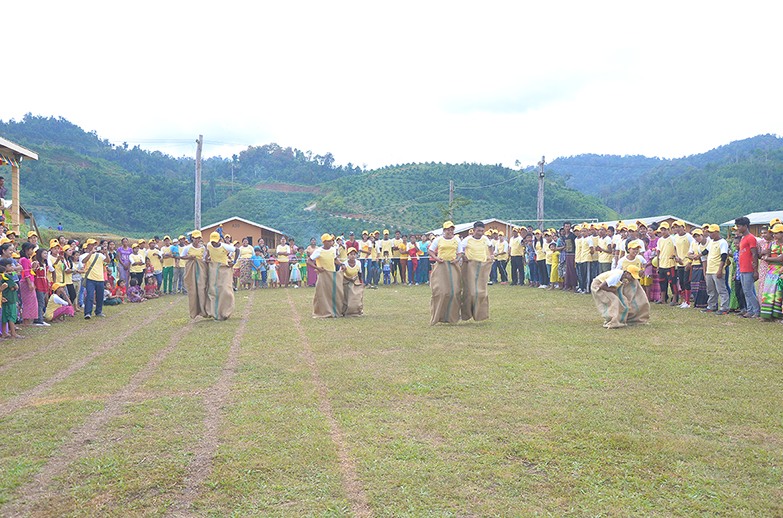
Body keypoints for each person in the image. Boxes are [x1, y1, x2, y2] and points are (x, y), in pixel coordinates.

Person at [591, 264, 649, 329]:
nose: (633, 279)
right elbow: (602, 286)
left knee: (623, 302)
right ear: (627, 273)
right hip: (598, 285)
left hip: (606, 286)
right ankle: (613, 322)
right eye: (632, 277)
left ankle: (623, 319)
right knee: (615, 301)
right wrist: (613, 290)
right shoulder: (617, 275)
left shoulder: (623, 276)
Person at [458, 221, 495, 322]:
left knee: (482, 293)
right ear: (474, 230)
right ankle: (466, 313)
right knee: (471, 293)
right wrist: (463, 256)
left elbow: (490, 246)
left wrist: (491, 255)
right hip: (470, 266)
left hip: (482, 267)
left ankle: (480, 314)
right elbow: (460, 249)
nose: (480, 233)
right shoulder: (467, 240)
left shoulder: (485, 239)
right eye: (478, 230)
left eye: (482, 231)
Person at [308, 233, 344, 318]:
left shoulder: (333, 249)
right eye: (329, 241)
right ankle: (321, 311)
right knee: (321, 293)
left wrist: (341, 264)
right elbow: (309, 261)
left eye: (331, 241)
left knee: (333, 293)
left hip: (332, 274)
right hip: (322, 274)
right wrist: (317, 268)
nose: (331, 242)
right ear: (324, 242)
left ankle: (334, 311)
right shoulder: (318, 251)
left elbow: (335, 259)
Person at [205, 231, 236, 321]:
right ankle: (215, 313)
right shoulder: (209, 245)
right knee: (214, 291)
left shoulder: (224, 246)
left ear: (219, 240)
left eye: (215, 241)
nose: (214, 243)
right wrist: (207, 258)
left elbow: (237, 250)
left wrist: (233, 262)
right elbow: (208, 253)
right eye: (212, 241)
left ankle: (225, 312)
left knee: (226, 290)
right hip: (213, 268)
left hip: (224, 268)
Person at [734, 216, 760, 319]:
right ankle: (749, 311)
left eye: (739, 226)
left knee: (749, 291)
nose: (738, 228)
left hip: (749, 268)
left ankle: (757, 311)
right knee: (745, 291)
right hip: (742, 269)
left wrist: (755, 271)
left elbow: (754, 254)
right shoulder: (743, 238)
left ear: (745, 226)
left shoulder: (751, 238)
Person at [180, 230, 209, 319]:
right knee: (193, 290)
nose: (197, 240)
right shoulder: (188, 248)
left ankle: (204, 311)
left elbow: (204, 258)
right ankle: (194, 311)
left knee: (202, 289)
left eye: (199, 238)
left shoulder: (203, 248)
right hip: (191, 270)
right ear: (192, 239)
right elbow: (182, 256)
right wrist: (190, 257)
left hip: (201, 269)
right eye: (195, 238)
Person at [758, 223, 783, 322]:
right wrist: (771, 258)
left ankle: (777, 316)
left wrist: (769, 258)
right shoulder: (772, 244)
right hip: (771, 271)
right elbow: (766, 255)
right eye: (773, 233)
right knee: (768, 292)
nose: (774, 235)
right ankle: (767, 315)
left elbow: (781, 258)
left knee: (778, 293)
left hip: (780, 272)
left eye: (776, 233)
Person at [702, 224, 729, 315]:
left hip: (717, 269)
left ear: (717, 232)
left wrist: (720, 269)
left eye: (712, 232)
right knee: (711, 290)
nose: (710, 234)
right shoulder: (711, 242)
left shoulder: (722, 242)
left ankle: (725, 308)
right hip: (710, 269)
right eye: (709, 232)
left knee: (721, 289)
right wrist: (696, 256)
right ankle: (711, 306)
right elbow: (706, 251)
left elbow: (724, 256)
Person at [79, 238, 108, 320]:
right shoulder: (83, 255)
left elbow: (107, 261)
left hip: (100, 278)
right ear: (88, 246)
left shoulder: (100, 255)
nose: (94, 246)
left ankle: (98, 311)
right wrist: (91, 252)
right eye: (92, 244)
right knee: (90, 296)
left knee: (100, 296)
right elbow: (84, 261)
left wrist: (106, 252)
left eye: (95, 244)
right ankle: (88, 312)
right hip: (90, 278)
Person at [0, 260, 22, 338]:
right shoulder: (7, 276)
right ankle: (13, 333)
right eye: (10, 266)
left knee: (4, 316)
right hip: (11, 298)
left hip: (4, 298)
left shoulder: (2, 277)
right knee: (12, 315)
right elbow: (15, 287)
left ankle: (4, 333)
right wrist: (14, 285)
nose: (11, 267)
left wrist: (12, 287)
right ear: (4, 267)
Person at [687, 228, 708, 309]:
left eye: (698, 236)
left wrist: (698, 256)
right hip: (695, 265)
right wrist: (694, 256)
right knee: (695, 284)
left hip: (703, 265)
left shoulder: (706, 243)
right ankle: (697, 302)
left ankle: (704, 303)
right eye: (695, 236)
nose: (697, 238)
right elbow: (689, 254)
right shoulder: (693, 243)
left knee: (702, 285)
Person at [18, 242, 38, 327]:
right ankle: (25, 320)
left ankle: (27, 319)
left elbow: (29, 271)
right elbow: (26, 273)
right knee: (28, 301)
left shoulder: (26, 259)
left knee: (30, 301)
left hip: (28, 281)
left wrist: (33, 267)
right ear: (26, 250)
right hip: (26, 282)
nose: (32, 251)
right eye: (31, 249)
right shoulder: (24, 260)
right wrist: (30, 284)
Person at [342, 248, 364, 317]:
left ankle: (357, 310)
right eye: (351, 254)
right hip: (346, 280)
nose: (353, 256)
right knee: (346, 297)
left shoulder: (358, 263)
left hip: (355, 280)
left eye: (354, 254)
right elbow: (341, 274)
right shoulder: (344, 263)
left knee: (357, 296)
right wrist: (348, 279)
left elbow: (360, 273)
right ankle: (345, 311)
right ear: (348, 255)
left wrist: (361, 281)